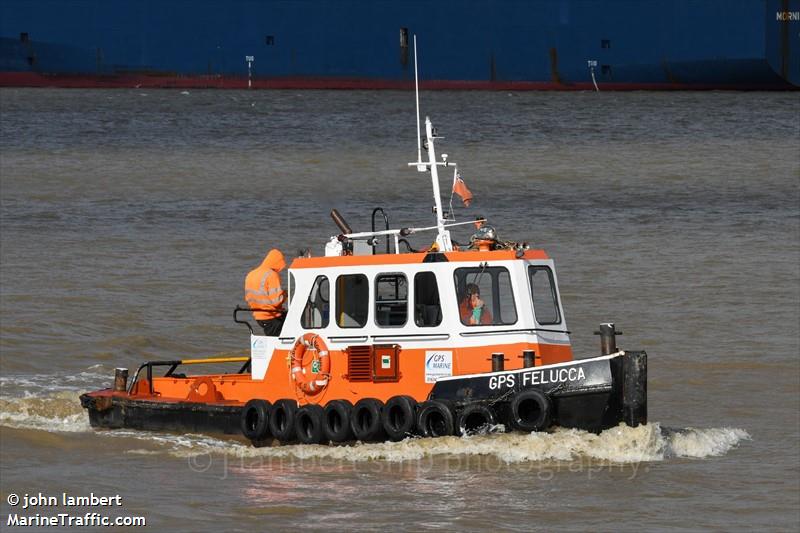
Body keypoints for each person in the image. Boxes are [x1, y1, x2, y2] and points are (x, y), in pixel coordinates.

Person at [245, 249, 287, 336]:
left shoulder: (251, 274)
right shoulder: (272, 275)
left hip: (258, 316)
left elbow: (248, 298)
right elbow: (276, 301)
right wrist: (285, 295)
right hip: (271, 316)